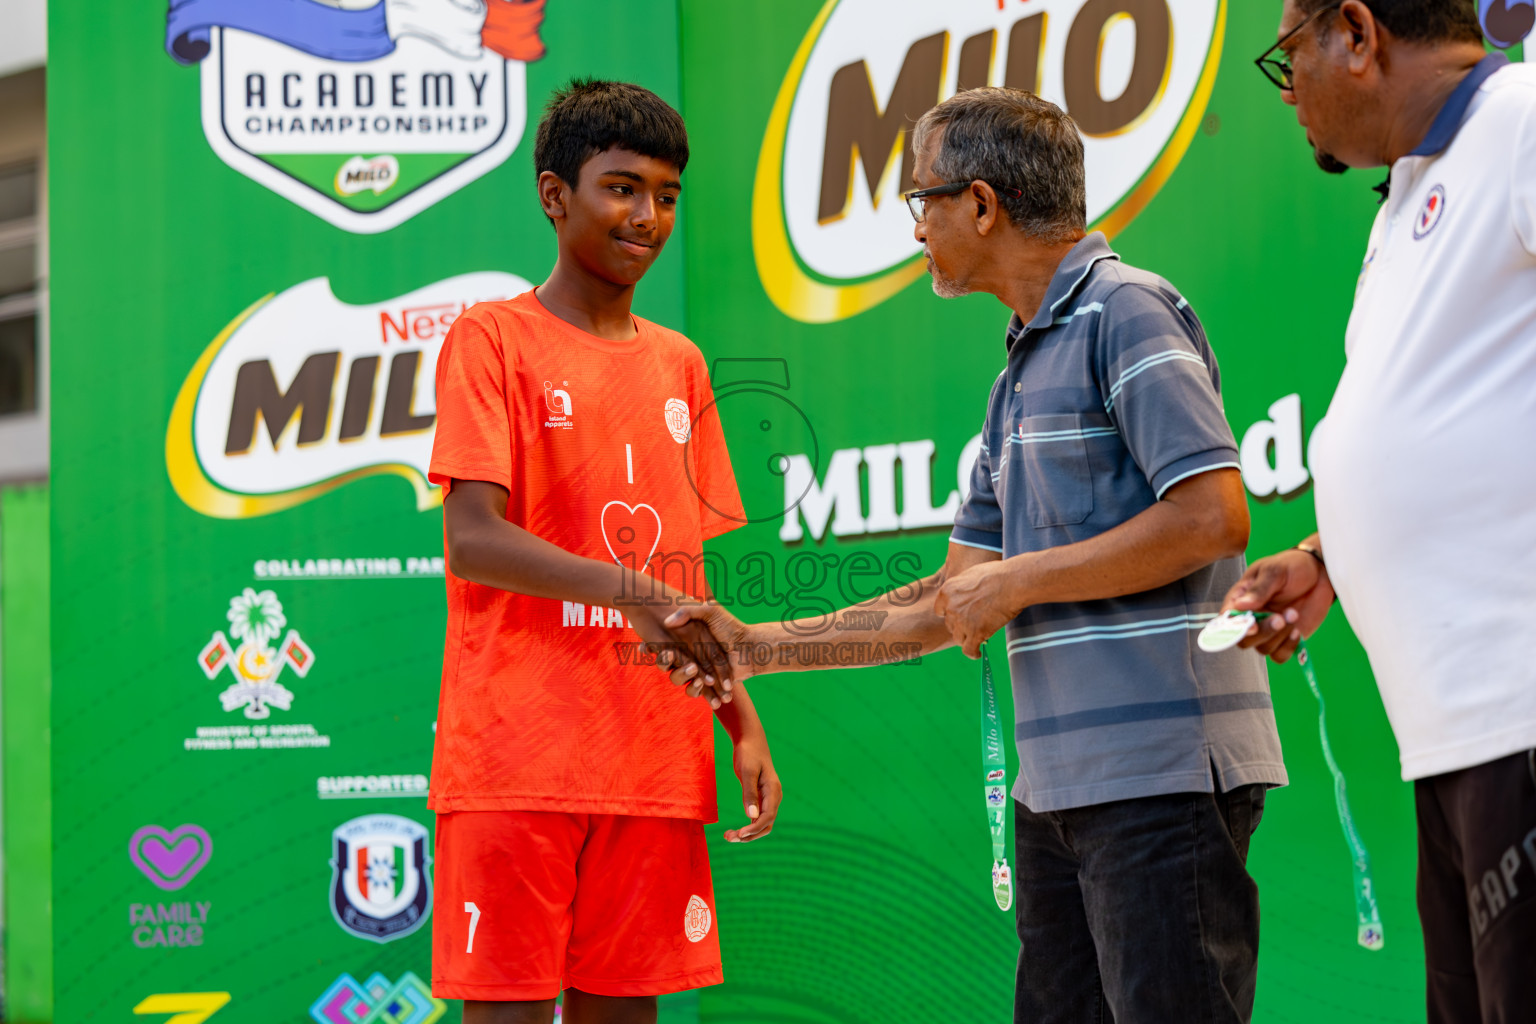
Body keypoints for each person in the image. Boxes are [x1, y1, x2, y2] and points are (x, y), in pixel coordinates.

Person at [665, 88, 1287, 1024]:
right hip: (1056, 799)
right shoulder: (1016, 376)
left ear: (983, 205)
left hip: (1161, 782)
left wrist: (1023, 580)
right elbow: (954, 599)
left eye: (923, 200)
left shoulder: (1130, 311)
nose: (916, 227)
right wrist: (756, 644)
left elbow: (1212, 517)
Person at [426, 79, 781, 1024]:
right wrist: (624, 589)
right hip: (516, 758)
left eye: (667, 195)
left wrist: (738, 716)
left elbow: (684, 585)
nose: (648, 216)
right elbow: (472, 540)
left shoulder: (682, 365)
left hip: (654, 763)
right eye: (621, 188)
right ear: (555, 195)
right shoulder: (490, 338)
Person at [1231, 2, 1536, 1020]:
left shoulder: (1521, 121)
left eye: (1291, 56)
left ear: (1357, 35)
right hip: (1452, 737)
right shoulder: (1406, 193)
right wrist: (1328, 553)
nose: (1288, 93)